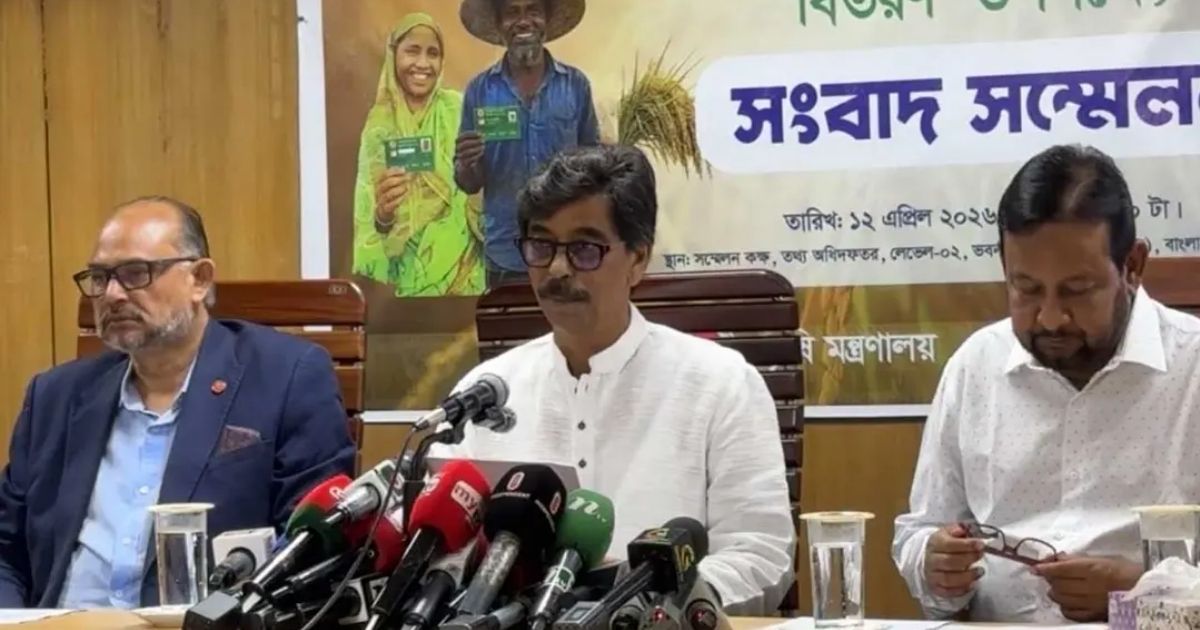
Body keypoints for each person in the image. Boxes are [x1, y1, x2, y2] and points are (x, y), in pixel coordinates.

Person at [430, 145, 795, 614]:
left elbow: (760, 554)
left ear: (638, 259)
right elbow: (442, 547)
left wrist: (644, 607)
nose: (557, 269)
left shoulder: (721, 383)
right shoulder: (486, 389)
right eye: (541, 246)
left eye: (584, 249)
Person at [892, 145, 1200, 623]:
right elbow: (921, 530)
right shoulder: (977, 364)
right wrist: (933, 565)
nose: (1051, 319)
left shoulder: (1193, 367)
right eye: (1027, 289)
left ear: (1133, 266)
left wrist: (1142, 592)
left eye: (1077, 291)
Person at [0, 197, 356, 608]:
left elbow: (313, 545)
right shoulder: (55, 396)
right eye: (100, 277)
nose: (112, 294)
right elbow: (6, 548)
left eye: (136, 273)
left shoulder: (286, 377)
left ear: (199, 280)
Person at [453, 0, 600, 287]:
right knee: (510, 318)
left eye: (533, 10)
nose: (523, 21)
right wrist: (467, 164)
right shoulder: (479, 90)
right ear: (499, 25)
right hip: (505, 253)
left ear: (547, 19)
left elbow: (593, 164)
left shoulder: (575, 85)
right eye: (512, 12)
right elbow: (469, 183)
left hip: (566, 250)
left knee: (566, 317)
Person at [352, 13, 484, 297]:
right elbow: (371, 224)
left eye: (432, 53)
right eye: (412, 51)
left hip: (467, 271)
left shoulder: (458, 109)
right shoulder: (379, 128)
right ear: (393, 56)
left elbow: (484, 188)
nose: (423, 64)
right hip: (409, 280)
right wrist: (384, 213)